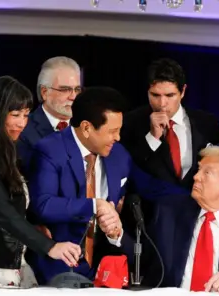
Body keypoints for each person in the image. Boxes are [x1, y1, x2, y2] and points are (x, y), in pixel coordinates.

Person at [26, 86, 188, 284]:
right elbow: (43, 205)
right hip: (55, 271)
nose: (118, 137)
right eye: (112, 131)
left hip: (104, 273)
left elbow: (150, 187)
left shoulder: (118, 155)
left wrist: (196, 197)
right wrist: (95, 205)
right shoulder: (50, 150)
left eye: (119, 130)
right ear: (86, 128)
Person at [0, 76, 81, 286]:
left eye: (26, 115)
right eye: (15, 115)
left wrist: (33, 227)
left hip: (9, 259)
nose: (22, 123)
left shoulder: (7, 150)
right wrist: (50, 246)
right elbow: (1, 209)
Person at [125, 146, 219, 292]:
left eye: (207, 173)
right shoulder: (168, 213)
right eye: (199, 170)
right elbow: (142, 257)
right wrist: (117, 234)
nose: (196, 177)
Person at [121, 58, 219, 189]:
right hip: (151, 207)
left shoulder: (208, 123)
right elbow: (125, 170)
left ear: (183, 91)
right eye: (155, 95)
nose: (162, 103)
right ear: (147, 92)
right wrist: (152, 138)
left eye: (170, 95)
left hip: (195, 206)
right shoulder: (131, 122)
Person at [17, 56, 81, 176]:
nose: (73, 97)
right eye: (65, 89)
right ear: (44, 92)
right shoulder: (23, 130)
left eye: (77, 89)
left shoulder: (86, 127)